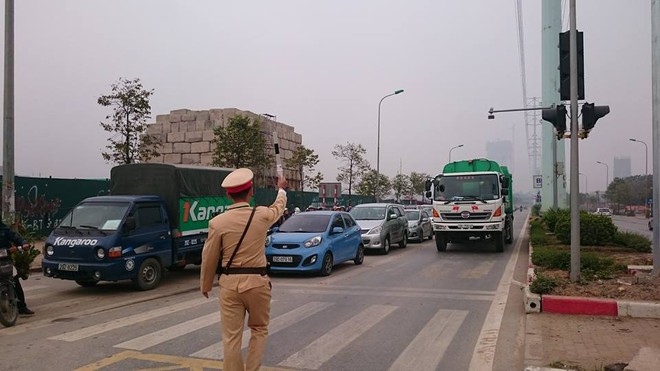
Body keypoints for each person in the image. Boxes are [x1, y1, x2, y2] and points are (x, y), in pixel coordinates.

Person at [200, 168, 287, 371]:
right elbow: (278, 208)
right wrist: (281, 190)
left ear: (228, 195)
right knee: (259, 329)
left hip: (230, 285)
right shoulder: (263, 215)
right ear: (251, 192)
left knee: (231, 337)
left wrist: (205, 284)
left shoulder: (217, 222)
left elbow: (209, 256)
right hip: (257, 283)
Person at [0, 221, 34, 315]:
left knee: (14, 281)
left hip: (6, 260)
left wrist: (23, 243)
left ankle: (22, 307)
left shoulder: (4, 230)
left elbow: (15, 237)